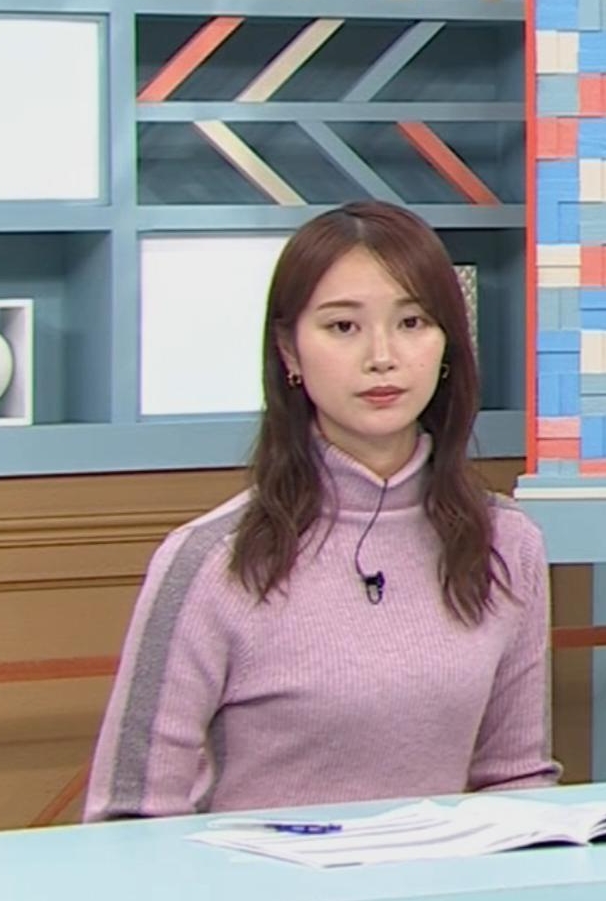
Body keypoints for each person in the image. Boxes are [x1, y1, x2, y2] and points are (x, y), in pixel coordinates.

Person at [84, 201, 561, 822]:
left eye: (412, 322)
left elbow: (516, 783)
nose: (382, 356)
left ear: (448, 344)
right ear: (289, 351)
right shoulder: (212, 562)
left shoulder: (507, 544)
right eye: (343, 327)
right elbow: (127, 819)